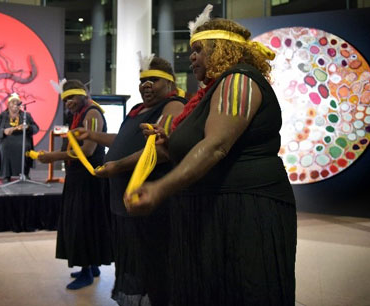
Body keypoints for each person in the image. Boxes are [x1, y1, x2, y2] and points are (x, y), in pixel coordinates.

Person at [125, 5, 297, 305]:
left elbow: (217, 144)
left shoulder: (239, 79)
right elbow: (201, 143)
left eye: (198, 49)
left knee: (242, 290)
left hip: (243, 211)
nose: (191, 57)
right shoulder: (210, 92)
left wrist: (160, 188)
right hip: (211, 211)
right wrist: (168, 143)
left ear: (222, 49)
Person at [74, 55, 186, 305]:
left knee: (155, 269)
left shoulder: (173, 106)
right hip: (126, 206)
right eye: (143, 80)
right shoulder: (138, 110)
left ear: (170, 83)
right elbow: (122, 141)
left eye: (153, 80)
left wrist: (118, 166)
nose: (145, 85)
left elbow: (161, 149)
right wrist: (92, 134)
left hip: (151, 207)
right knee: (135, 265)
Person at [38, 79, 112, 290]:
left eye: (72, 97)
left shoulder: (92, 114)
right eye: (65, 99)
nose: (68, 102)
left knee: (83, 222)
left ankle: (87, 271)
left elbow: (88, 150)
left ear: (83, 95)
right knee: (85, 220)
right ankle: (92, 265)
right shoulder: (81, 113)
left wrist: (54, 156)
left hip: (88, 178)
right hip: (79, 176)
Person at [0, 93, 39, 182]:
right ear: (8, 104)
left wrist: (28, 127)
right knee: (6, 147)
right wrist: (4, 131)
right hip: (5, 139)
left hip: (22, 138)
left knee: (24, 146)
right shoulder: (1, 116)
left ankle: (24, 173)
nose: (15, 105)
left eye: (17, 103)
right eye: (12, 102)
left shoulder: (26, 116)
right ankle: (6, 174)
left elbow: (36, 128)